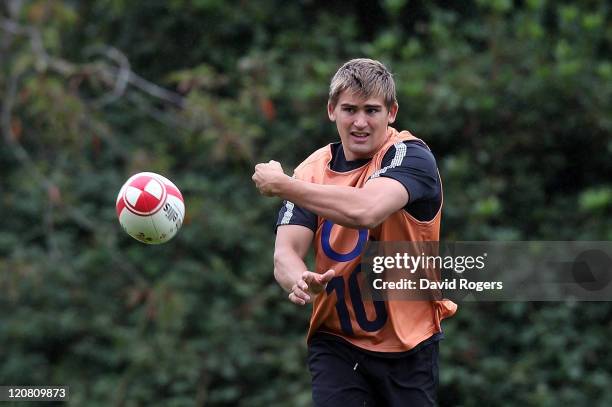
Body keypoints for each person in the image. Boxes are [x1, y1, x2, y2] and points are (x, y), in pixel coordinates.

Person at [252, 58, 456, 406]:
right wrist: (300, 279)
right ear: (331, 110)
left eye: (371, 110)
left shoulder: (412, 157)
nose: (360, 122)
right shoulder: (310, 171)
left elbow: (365, 210)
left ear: (392, 112)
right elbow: (285, 253)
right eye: (349, 109)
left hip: (409, 344)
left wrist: (284, 186)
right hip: (337, 343)